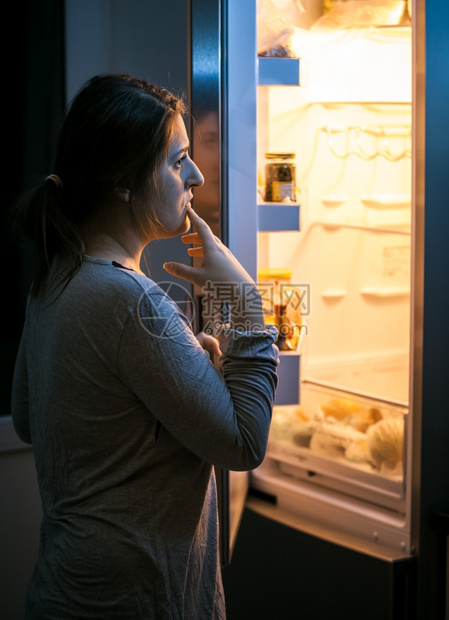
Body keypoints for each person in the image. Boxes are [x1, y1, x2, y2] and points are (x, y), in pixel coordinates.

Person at [11, 73, 278, 619]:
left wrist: (177, 377)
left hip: (69, 590)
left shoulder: (59, 276)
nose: (197, 175)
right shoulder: (131, 300)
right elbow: (244, 443)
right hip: (135, 600)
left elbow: (29, 418)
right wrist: (245, 300)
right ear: (124, 184)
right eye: (178, 160)